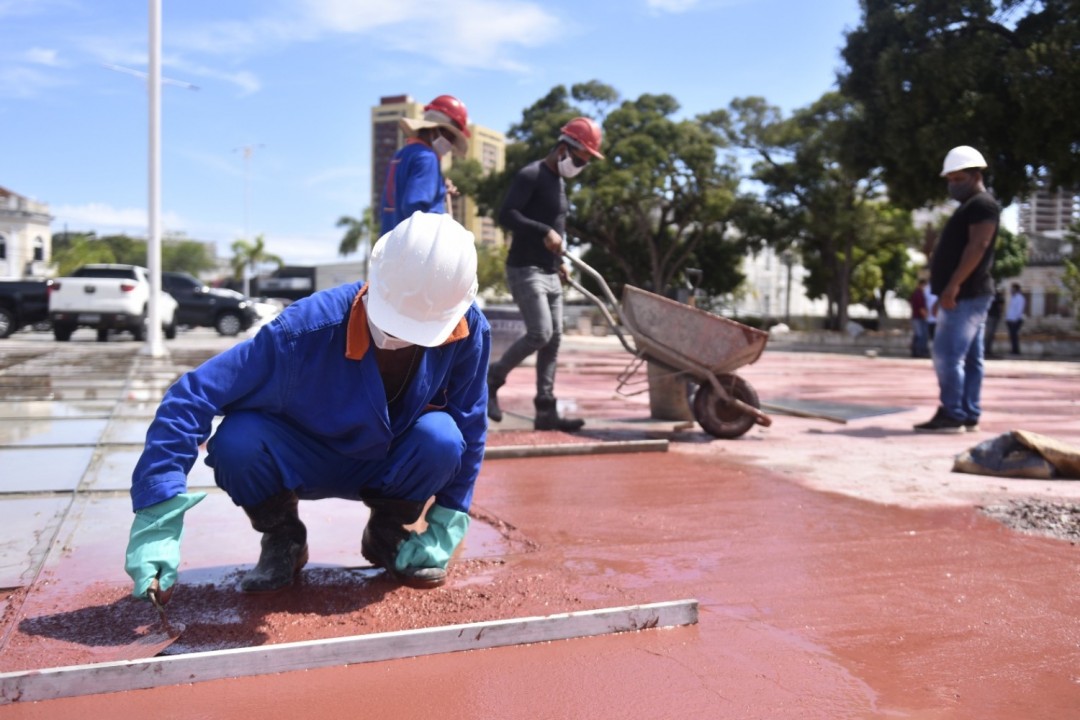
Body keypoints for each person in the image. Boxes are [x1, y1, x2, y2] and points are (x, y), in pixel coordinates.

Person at [124, 212, 490, 602]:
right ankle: (284, 536)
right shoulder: (304, 332)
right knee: (237, 441)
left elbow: (470, 421)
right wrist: (158, 510)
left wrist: (451, 516)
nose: (402, 336)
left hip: (389, 463)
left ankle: (386, 533)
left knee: (444, 438)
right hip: (304, 459)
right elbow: (192, 396)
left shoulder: (466, 330)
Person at [486, 117, 605, 432]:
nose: (582, 166)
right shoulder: (531, 175)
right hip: (525, 268)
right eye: (581, 159)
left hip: (551, 270)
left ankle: (546, 410)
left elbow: (557, 224)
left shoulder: (560, 182)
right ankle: (491, 380)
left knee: (553, 341)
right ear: (564, 149)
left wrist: (560, 260)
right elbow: (507, 214)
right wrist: (544, 232)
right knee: (540, 333)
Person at [914, 146, 1000, 434]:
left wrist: (953, 286)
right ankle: (967, 412)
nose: (953, 184)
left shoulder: (982, 205)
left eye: (958, 177)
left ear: (976, 175)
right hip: (966, 294)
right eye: (950, 179)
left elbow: (979, 246)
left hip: (967, 294)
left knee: (946, 355)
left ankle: (953, 413)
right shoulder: (970, 206)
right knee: (971, 358)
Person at [379, 95, 470, 235]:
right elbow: (414, 206)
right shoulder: (427, 158)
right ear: (436, 129)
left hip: (390, 245)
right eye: (451, 136)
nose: (451, 144)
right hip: (414, 250)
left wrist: (439, 186)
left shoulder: (401, 155)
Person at [909, 278, 930, 358]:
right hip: (919, 317)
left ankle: (915, 351)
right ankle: (919, 352)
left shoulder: (917, 293)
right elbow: (921, 308)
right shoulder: (919, 294)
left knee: (917, 335)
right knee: (921, 335)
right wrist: (926, 316)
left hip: (916, 317)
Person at [1006, 282, 1025, 355]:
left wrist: (1015, 319)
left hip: (1016, 320)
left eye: (1012, 288)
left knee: (1014, 336)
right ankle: (1013, 350)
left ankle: (1016, 351)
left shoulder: (1020, 298)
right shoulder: (1013, 297)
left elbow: (1019, 310)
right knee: (1012, 336)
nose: (1011, 290)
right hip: (1010, 320)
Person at [984, 287, 1004, 358]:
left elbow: (1001, 305)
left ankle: (988, 350)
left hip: (994, 316)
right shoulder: (987, 294)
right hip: (989, 316)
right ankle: (986, 350)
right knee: (988, 334)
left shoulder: (997, 295)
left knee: (991, 334)